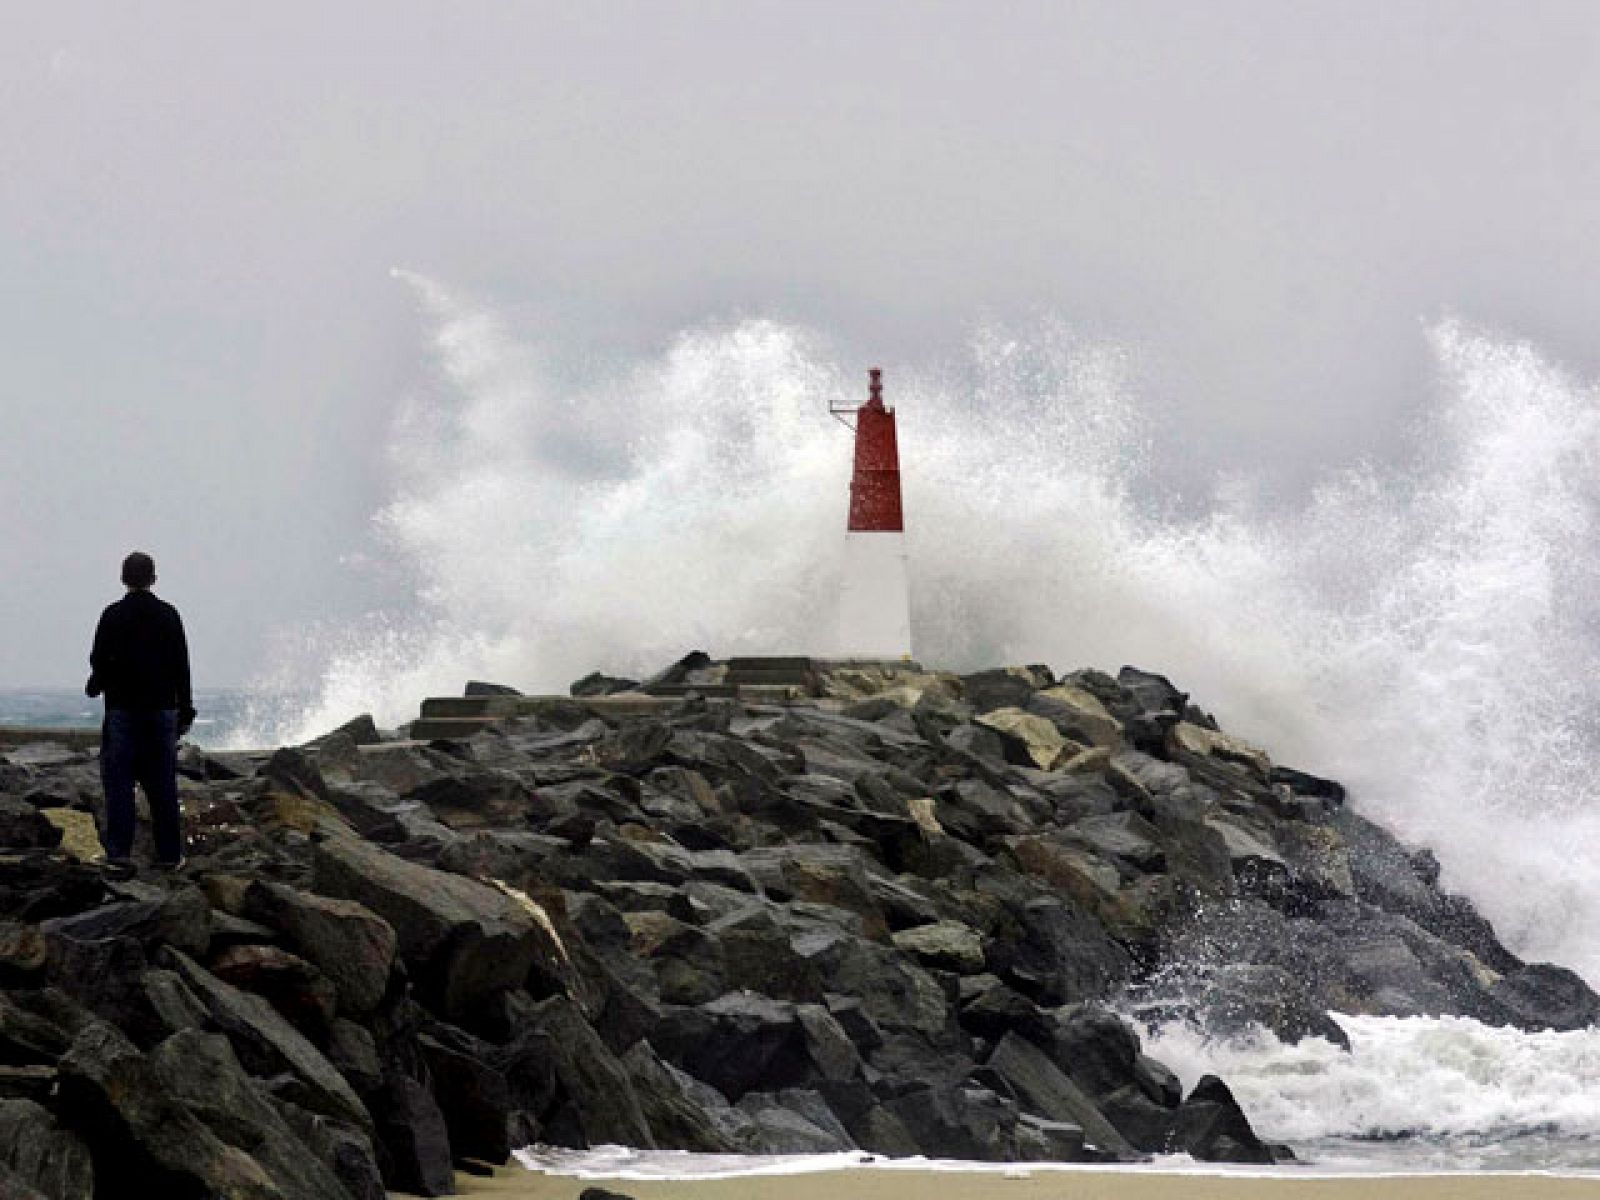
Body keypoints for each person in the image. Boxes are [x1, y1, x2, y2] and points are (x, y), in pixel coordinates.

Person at [86, 551, 195, 875]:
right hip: (161, 711)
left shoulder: (113, 615)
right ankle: (169, 856)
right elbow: (181, 665)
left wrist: (97, 683)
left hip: (122, 710)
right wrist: (185, 708)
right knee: (162, 785)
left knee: (119, 784)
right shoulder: (168, 615)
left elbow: (99, 659)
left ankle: (119, 853)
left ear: (123, 578)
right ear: (153, 579)